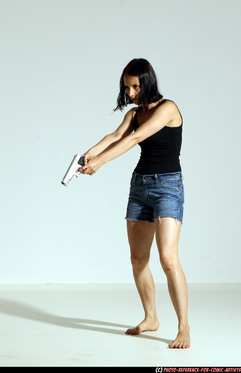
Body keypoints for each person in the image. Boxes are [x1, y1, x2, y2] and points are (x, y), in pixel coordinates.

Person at [79, 58, 190, 349]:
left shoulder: (168, 108)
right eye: (126, 87)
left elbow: (136, 138)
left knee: (168, 259)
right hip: (140, 186)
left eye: (135, 86)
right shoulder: (134, 113)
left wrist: (101, 162)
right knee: (138, 259)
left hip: (168, 186)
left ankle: (184, 328)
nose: (130, 93)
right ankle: (151, 318)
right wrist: (88, 155)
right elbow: (116, 136)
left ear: (148, 82)